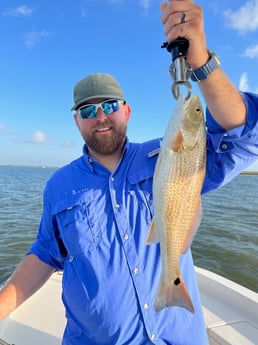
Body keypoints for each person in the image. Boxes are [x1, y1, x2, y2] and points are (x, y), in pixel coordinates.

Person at [1, 1, 258, 344]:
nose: (101, 116)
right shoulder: (59, 186)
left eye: (109, 106)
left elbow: (243, 136)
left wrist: (201, 64)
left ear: (127, 111)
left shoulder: (165, 155)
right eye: (88, 110)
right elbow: (45, 254)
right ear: (76, 120)